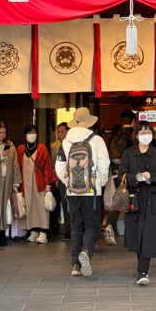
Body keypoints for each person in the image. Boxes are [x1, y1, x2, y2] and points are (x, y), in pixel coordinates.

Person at [55, 107, 110, 277]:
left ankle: (75, 265)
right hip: (92, 191)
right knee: (92, 225)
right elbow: (104, 165)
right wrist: (99, 183)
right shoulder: (97, 140)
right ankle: (86, 251)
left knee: (76, 226)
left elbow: (59, 168)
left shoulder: (65, 142)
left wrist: (69, 182)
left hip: (73, 192)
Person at [117, 124, 156, 285]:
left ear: (152, 135)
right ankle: (142, 266)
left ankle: (143, 270)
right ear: (137, 135)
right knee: (135, 234)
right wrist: (135, 178)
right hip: (134, 198)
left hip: (153, 199)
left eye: (149, 132)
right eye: (142, 132)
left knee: (149, 234)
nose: (146, 135)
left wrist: (150, 176)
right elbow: (121, 174)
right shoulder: (129, 153)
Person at [17, 124, 55, 243]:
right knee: (28, 205)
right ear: (25, 135)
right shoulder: (20, 149)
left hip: (40, 182)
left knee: (41, 206)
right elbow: (17, 167)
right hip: (25, 182)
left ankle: (43, 232)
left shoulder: (42, 148)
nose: (31, 135)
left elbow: (47, 166)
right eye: (29, 133)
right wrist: (16, 182)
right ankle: (32, 231)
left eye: (33, 132)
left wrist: (48, 182)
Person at [104, 110, 136, 245]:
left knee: (118, 201)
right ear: (134, 121)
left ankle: (110, 225)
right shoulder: (133, 135)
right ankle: (132, 233)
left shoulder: (114, 135)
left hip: (116, 174)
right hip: (130, 173)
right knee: (133, 202)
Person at [48, 122, 71, 240]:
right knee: (64, 203)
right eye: (59, 132)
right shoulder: (55, 145)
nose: (60, 134)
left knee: (73, 204)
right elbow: (53, 163)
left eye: (62, 132)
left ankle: (74, 228)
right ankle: (67, 229)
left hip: (72, 176)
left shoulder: (72, 142)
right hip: (61, 178)